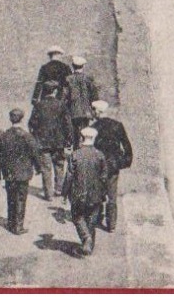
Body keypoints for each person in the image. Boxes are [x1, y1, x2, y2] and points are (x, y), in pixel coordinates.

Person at [0, 108, 46, 234]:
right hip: (23, 173)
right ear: (22, 119)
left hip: (9, 172)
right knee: (21, 199)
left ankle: (11, 223)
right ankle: (18, 226)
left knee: (11, 198)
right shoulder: (27, 136)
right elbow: (35, 154)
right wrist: (38, 168)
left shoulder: (3, 136)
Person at [61, 127, 109, 256]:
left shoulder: (75, 155)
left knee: (77, 217)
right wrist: (104, 193)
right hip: (95, 195)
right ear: (94, 139)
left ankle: (86, 238)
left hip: (78, 194)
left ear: (82, 139)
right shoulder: (100, 155)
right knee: (91, 220)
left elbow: (69, 176)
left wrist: (64, 194)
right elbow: (104, 177)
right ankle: (89, 247)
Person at [91, 101, 134, 231]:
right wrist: (125, 162)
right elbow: (127, 146)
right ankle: (111, 224)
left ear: (98, 112)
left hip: (98, 166)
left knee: (97, 192)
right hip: (113, 166)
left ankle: (97, 217)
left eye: (93, 110)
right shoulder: (117, 125)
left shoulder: (93, 128)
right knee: (112, 195)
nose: (92, 113)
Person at [28, 83, 75, 199]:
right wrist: (69, 140)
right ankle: (59, 189)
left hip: (43, 142)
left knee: (46, 168)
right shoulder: (61, 105)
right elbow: (68, 124)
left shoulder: (38, 105)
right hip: (59, 142)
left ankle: (48, 194)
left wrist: (36, 136)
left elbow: (31, 124)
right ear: (54, 91)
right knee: (59, 166)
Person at [65, 56, 99, 132]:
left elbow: (65, 96)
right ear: (83, 66)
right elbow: (95, 96)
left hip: (73, 111)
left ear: (73, 66)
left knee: (75, 133)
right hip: (86, 111)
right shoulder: (88, 79)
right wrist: (93, 110)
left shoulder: (68, 79)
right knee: (85, 132)